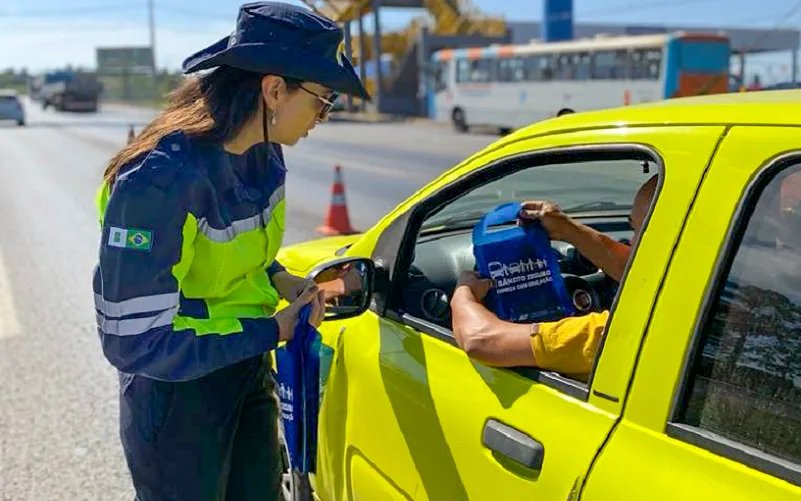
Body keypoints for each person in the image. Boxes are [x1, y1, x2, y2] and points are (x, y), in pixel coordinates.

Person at [92, 3, 370, 500]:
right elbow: (134, 343)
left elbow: (242, 261)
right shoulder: (159, 183)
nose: (322, 118)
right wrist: (273, 328)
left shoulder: (265, 156)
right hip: (177, 393)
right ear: (273, 90)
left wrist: (284, 281)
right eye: (322, 101)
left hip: (244, 371)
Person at [450, 175, 658, 382]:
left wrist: (464, 295)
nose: (632, 243)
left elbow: (481, 341)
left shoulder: (621, 333)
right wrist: (566, 228)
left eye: (640, 231)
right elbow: (639, 270)